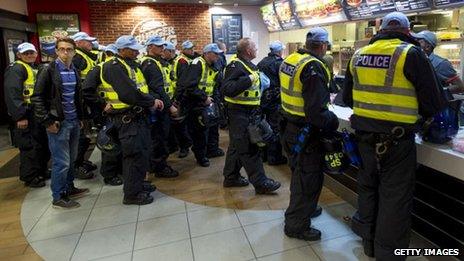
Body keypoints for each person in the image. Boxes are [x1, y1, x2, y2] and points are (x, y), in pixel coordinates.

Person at [342, 12, 446, 259]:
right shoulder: (410, 54)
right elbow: (434, 103)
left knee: (368, 190)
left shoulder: (358, 55)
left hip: (365, 140)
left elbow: (346, 98)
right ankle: (389, 254)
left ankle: (368, 244)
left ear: (382, 29)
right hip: (397, 143)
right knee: (394, 199)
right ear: (407, 31)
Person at [279, 28, 338, 241]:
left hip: (289, 127)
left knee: (299, 176)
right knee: (308, 180)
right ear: (323, 46)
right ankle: (296, 225)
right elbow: (316, 113)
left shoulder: (292, 59)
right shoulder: (313, 67)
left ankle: (304, 210)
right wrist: (332, 121)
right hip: (305, 134)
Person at [99, 35, 164, 205]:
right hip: (126, 119)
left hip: (138, 116)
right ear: (122, 50)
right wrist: (151, 101)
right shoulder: (114, 67)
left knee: (142, 153)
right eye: (133, 49)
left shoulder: (130, 65)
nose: (137, 51)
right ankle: (132, 194)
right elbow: (128, 93)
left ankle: (139, 184)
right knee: (133, 156)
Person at [32, 38, 90, 209]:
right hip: (58, 123)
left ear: (74, 51)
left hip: (73, 121)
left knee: (71, 159)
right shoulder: (48, 70)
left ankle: (69, 188)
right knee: (61, 162)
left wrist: (80, 118)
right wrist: (47, 121)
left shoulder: (74, 70)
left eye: (69, 49)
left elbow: (76, 97)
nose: (66, 53)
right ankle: (58, 195)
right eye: (62, 49)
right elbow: (37, 98)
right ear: (56, 51)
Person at [222, 37, 281, 194]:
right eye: (255, 48)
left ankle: (231, 177)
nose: (256, 50)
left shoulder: (248, 65)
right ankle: (261, 183)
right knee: (249, 148)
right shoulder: (235, 66)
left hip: (249, 112)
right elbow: (227, 88)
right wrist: (251, 79)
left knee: (236, 147)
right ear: (248, 51)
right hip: (239, 113)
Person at [4, 42, 50, 187]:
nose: (29, 55)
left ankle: (41, 170)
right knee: (29, 146)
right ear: (19, 55)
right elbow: (12, 93)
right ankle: (30, 177)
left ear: (36, 54)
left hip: (36, 112)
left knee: (41, 144)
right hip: (26, 113)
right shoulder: (16, 68)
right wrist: (20, 116)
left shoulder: (33, 67)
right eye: (26, 53)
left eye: (32, 53)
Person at [179, 43, 224, 167]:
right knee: (200, 133)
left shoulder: (214, 65)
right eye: (215, 54)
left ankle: (211, 150)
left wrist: (215, 100)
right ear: (207, 53)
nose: (218, 56)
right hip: (196, 103)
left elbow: (215, 84)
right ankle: (201, 156)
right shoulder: (197, 64)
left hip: (209, 102)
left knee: (212, 128)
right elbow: (189, 86)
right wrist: (204, 98)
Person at [140, 36, 179, 178]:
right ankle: (159, 167)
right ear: (150, 47)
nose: (163, 48)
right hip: (159, 107)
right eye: (159, 46)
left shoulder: (156, 62)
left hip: (161, 104)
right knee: (159, 138)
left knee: (160, 137)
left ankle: (156, 164)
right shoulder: (150, 64)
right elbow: (157, 88)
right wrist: (169, 106)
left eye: (163, 46)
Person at [71, 32, 99, 180]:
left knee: (86, 135)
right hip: (81, 102)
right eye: (87, 42)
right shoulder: (77, 57)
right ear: (78, 43)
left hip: (87, 101)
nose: (90, 44)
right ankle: (76, 166)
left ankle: (81, 161)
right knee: (82, 136)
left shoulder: (85, 56)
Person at [257, 40, 287, 166]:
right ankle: (274, 157)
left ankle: (262, 154)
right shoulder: (280, 64)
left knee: (263, 127)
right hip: (275, 101)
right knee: (275, 128)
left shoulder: (261, 62)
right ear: (280, 51)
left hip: (262, 100)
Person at [163, 42, 192, 158]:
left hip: (179, 98)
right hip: (170, 98)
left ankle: (185, 147)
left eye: (164, 50)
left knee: (180, 124)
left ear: (170, 51)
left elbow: (183, 83)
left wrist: (177, 99)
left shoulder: (181, 62)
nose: (162, 52)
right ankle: (174, 145)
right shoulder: (166, 62)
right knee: (173, 125)